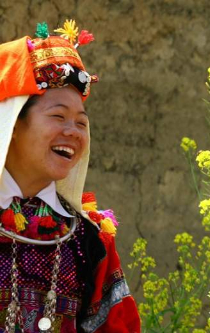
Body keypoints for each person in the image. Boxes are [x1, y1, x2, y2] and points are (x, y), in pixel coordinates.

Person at [0, 21, 140, 332]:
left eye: (81, 122)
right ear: (12, 127)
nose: (72, 132)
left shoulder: (87, 239)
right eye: (58, 116)